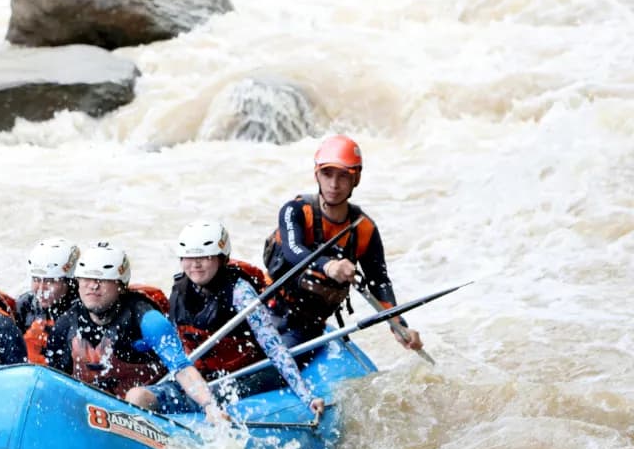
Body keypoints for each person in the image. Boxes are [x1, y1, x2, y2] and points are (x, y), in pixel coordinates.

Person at [126, 222, 324, 416]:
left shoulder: (240, 292)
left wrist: (307, 397)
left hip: (241, 377)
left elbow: (274, 347)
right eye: (189, 257)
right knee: (137, 396)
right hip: (197, 377)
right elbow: (174, 347)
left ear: (221, 258)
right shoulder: (180, 290)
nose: (195, 264)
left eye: (205, 256)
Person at [264, 134, 423, 358]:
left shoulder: (364, 229)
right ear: (316, 175)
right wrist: (329, 266)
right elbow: (293, 251)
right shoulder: (295, 211)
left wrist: (398, 325)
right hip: (267, 310)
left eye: (343, 176)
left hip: (305, 326)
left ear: (355, 179)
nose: (334, 185)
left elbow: (379, 282)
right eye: (327, 174)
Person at [44, 242, 228, 425]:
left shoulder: (146, 318)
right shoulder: (66, 323)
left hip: (158, 394)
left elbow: (182, 368)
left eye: (103, 280)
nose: (93, 286)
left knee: (136, 396)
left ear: (120, 285)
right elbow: (54, 379)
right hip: (104, 407)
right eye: (86, 279)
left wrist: (209, 405)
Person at [14, 238, 80, 365]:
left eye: (51, 280)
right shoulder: (25, 305)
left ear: (69, 281)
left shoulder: (84, 311)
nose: (41, 288)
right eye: (36, 279)